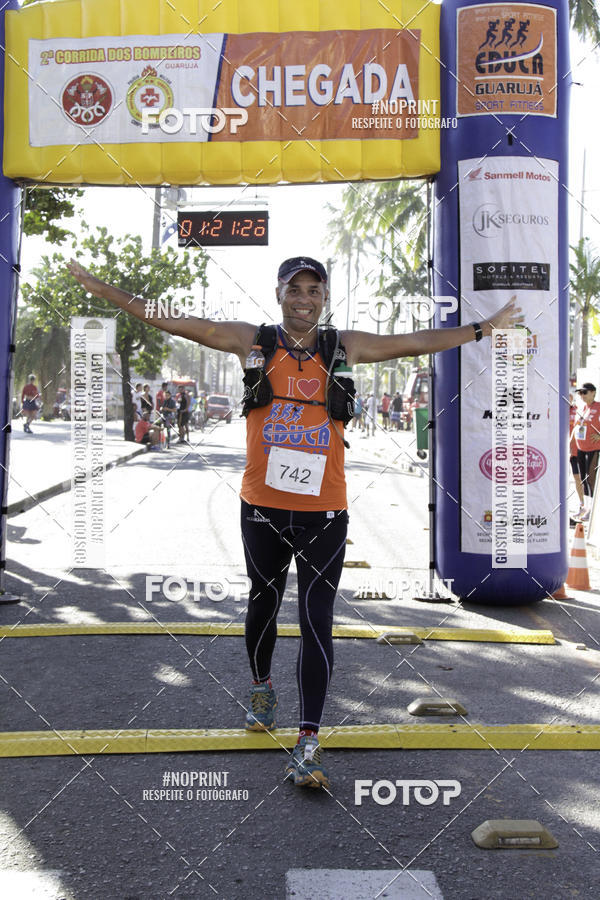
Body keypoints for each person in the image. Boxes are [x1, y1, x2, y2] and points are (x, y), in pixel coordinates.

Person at [67, 255, 523, 790]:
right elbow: (171, 318)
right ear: (280, 293)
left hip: (324, 511)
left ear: (324, 296)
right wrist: (103, 288)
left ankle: (308, 739)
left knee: (316, 618)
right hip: (261, 505)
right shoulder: (253, 341)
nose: (304, 298)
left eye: (314, 289)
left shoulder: (342, 347)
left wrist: (481, 329)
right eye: (295, 289)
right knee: (262, 603)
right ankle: (261, 686)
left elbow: (412, 341)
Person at [574, 382, 600, 521]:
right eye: (580, 393)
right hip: (581, 448)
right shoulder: (583, 408)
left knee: (590, 479)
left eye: (584, 392)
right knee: (583, 480)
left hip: (593, 449)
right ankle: (586, 508)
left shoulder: (598, 407)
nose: (582, 395)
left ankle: (592, 511)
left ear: (593, 392)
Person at [569, 392, 584, 520]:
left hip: (580, 450)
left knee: (583, 479)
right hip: (569, 453)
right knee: (576, 480)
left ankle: (585, 506)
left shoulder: (577, 410)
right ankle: (582, 505)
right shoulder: (555, 410)